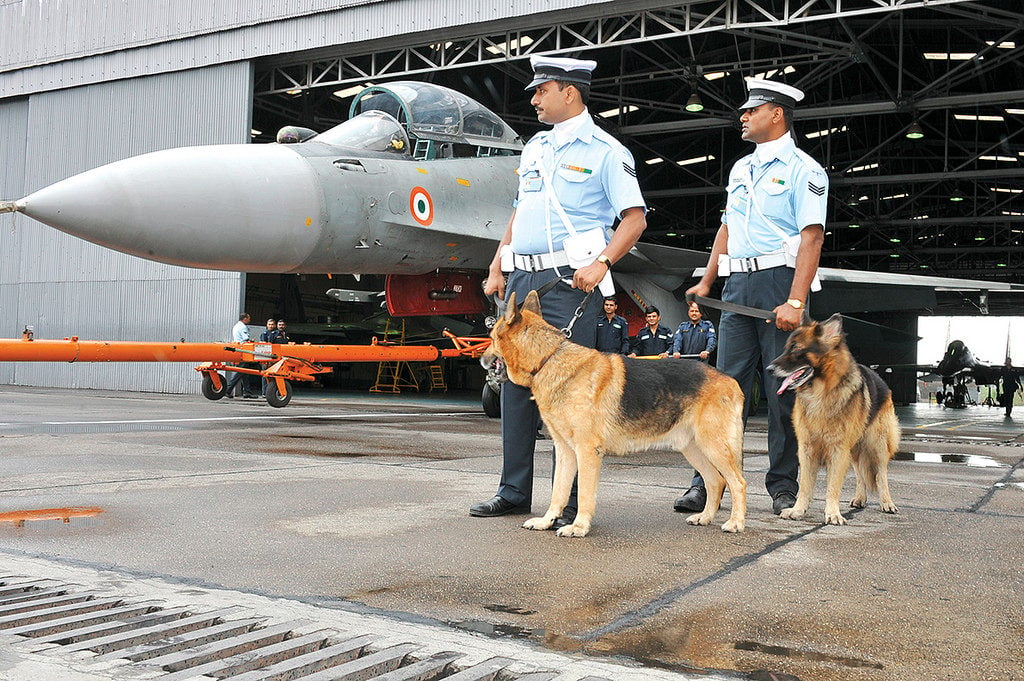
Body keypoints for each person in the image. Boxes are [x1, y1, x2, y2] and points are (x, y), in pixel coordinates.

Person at [469, 54, 647, 524]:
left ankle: (566, 502)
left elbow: (635, 219)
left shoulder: (608, 152)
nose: (534, 99)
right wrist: (496, 263)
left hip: (570, 282)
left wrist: (603, 262)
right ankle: (512, 491)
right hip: (522, 279)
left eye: (541, 90)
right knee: (513, 384)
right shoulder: (535, 149)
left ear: (569, 92)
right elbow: (518, 212)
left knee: (569, 392)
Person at [678, 76, 827, 516]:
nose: (742, 117)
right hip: (737, 286)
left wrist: (796, 302)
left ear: (776, 114)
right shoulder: (740, 168)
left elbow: (812, 237)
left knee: (782, 390)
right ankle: (707, 482)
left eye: (751, 110)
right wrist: (707, 281)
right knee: (722, 390)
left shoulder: (805, 169)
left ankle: (782, 485)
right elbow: (727, 226)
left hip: (779, 284)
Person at [225, 313, 258, 399]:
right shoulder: (243, 327)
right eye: (248, 318)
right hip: (244, 350)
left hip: (239, 348)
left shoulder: (236, 326)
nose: (249, 320)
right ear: (245, 319)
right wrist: (252, 341)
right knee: (240, 371)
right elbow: (245, 339)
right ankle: (228, 390)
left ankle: (247, 391)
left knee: (245, 372)